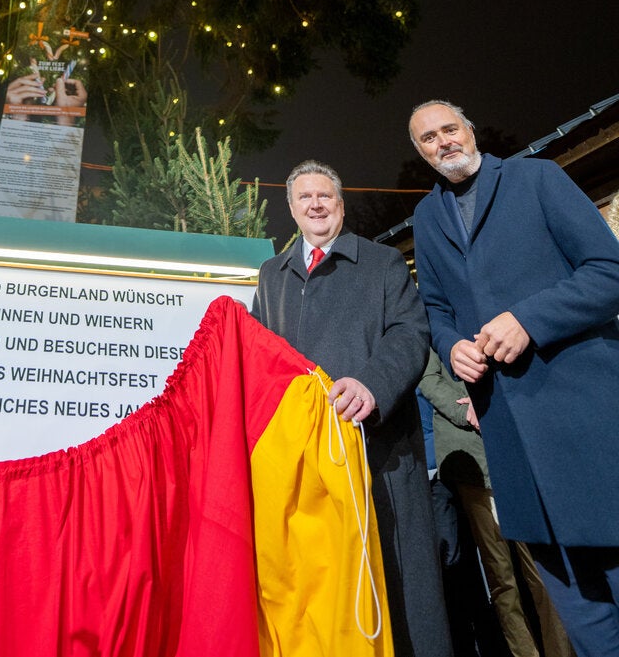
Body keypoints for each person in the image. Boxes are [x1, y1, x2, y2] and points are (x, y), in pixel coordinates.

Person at [409, 99, 619, 657]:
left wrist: (529, 319)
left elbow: (609, 273)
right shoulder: (427, 218)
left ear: (470, 131)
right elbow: (435, 309)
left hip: (586, 420)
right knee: (576, 604)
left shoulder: (538, 178)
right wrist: (451, 345)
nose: (442, 142)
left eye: (450, 129)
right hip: (510, 434)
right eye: (428, 139)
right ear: (422, 153)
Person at [252, 160, 452, 657]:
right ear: (293, 209)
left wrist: (372, 385)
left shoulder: (383, 263)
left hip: (376, 451)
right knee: (319, 582)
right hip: (304, 460)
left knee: (398, 585)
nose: (316, 204)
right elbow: (260, 353)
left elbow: (412, 334)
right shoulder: (272, 275)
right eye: (305, 198)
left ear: (341, 205)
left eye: (325, 196)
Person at [420, 348, 574, 657]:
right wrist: (464, 410)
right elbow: (428, 377)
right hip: (472, 467)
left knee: (545, 575)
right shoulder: (430, 316)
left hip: (517, 456)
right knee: (502, 579)